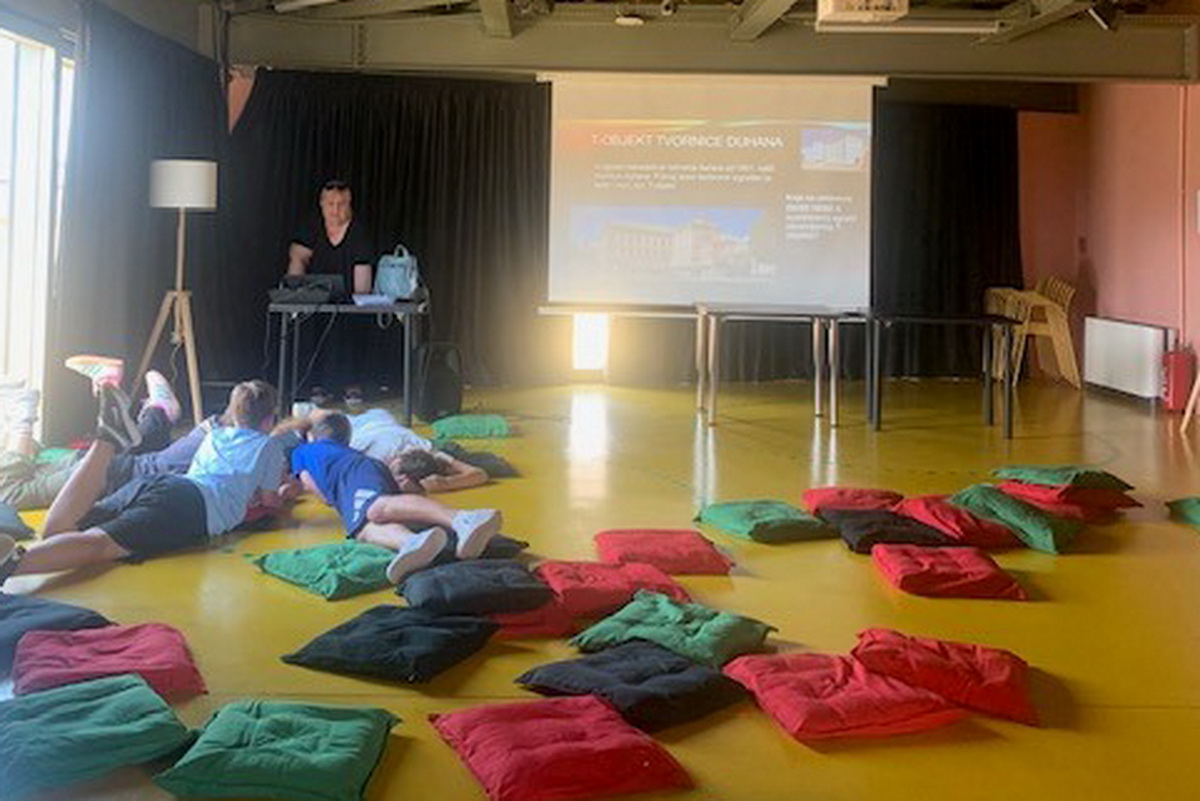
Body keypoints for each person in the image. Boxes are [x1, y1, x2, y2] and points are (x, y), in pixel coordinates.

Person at [0, 380, 291, 585]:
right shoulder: (269, 446)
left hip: (163, 484)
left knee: (57, 532)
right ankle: (7, 566)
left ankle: (106, 440)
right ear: (269, 420)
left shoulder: (214, 434)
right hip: (190, 507)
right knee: (100, 546)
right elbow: (269, 501)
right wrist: (286, 492)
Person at [289, 411, 502, 584]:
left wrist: (327, 497)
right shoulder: (343, 450)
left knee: (376, 508)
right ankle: (410, 542)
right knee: (362, 529)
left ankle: (463, 519)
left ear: (314, 436)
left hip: (354, 475)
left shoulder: (302, 451)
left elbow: (308, 482)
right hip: (358, 475)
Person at [0, 366, 207, 511]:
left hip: (71, 470)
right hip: (68, 470)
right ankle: (160, 414)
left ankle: (165, 416)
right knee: (131, 463)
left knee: (134, 465)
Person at [286, 179, 378, 406]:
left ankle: (351, 384)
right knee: (309, 322)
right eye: (330, 204)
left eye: (341, 204)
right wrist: (295, 294)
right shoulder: (311, 226)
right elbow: (297, 260)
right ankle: (316, 384)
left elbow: (363, 280)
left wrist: (358, 301)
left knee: (348, 323)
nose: (335, 210)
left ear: (349, 204)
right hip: (316, 297)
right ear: (322, 204)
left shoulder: (359, 231)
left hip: (348, 297)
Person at [347, 406, 488, 493]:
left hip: (383, 418)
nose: (398, 479)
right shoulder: (372, 456)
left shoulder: (426, 449)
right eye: (395, 471)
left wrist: (446, 483)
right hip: (357, 425)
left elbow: (480, 474)